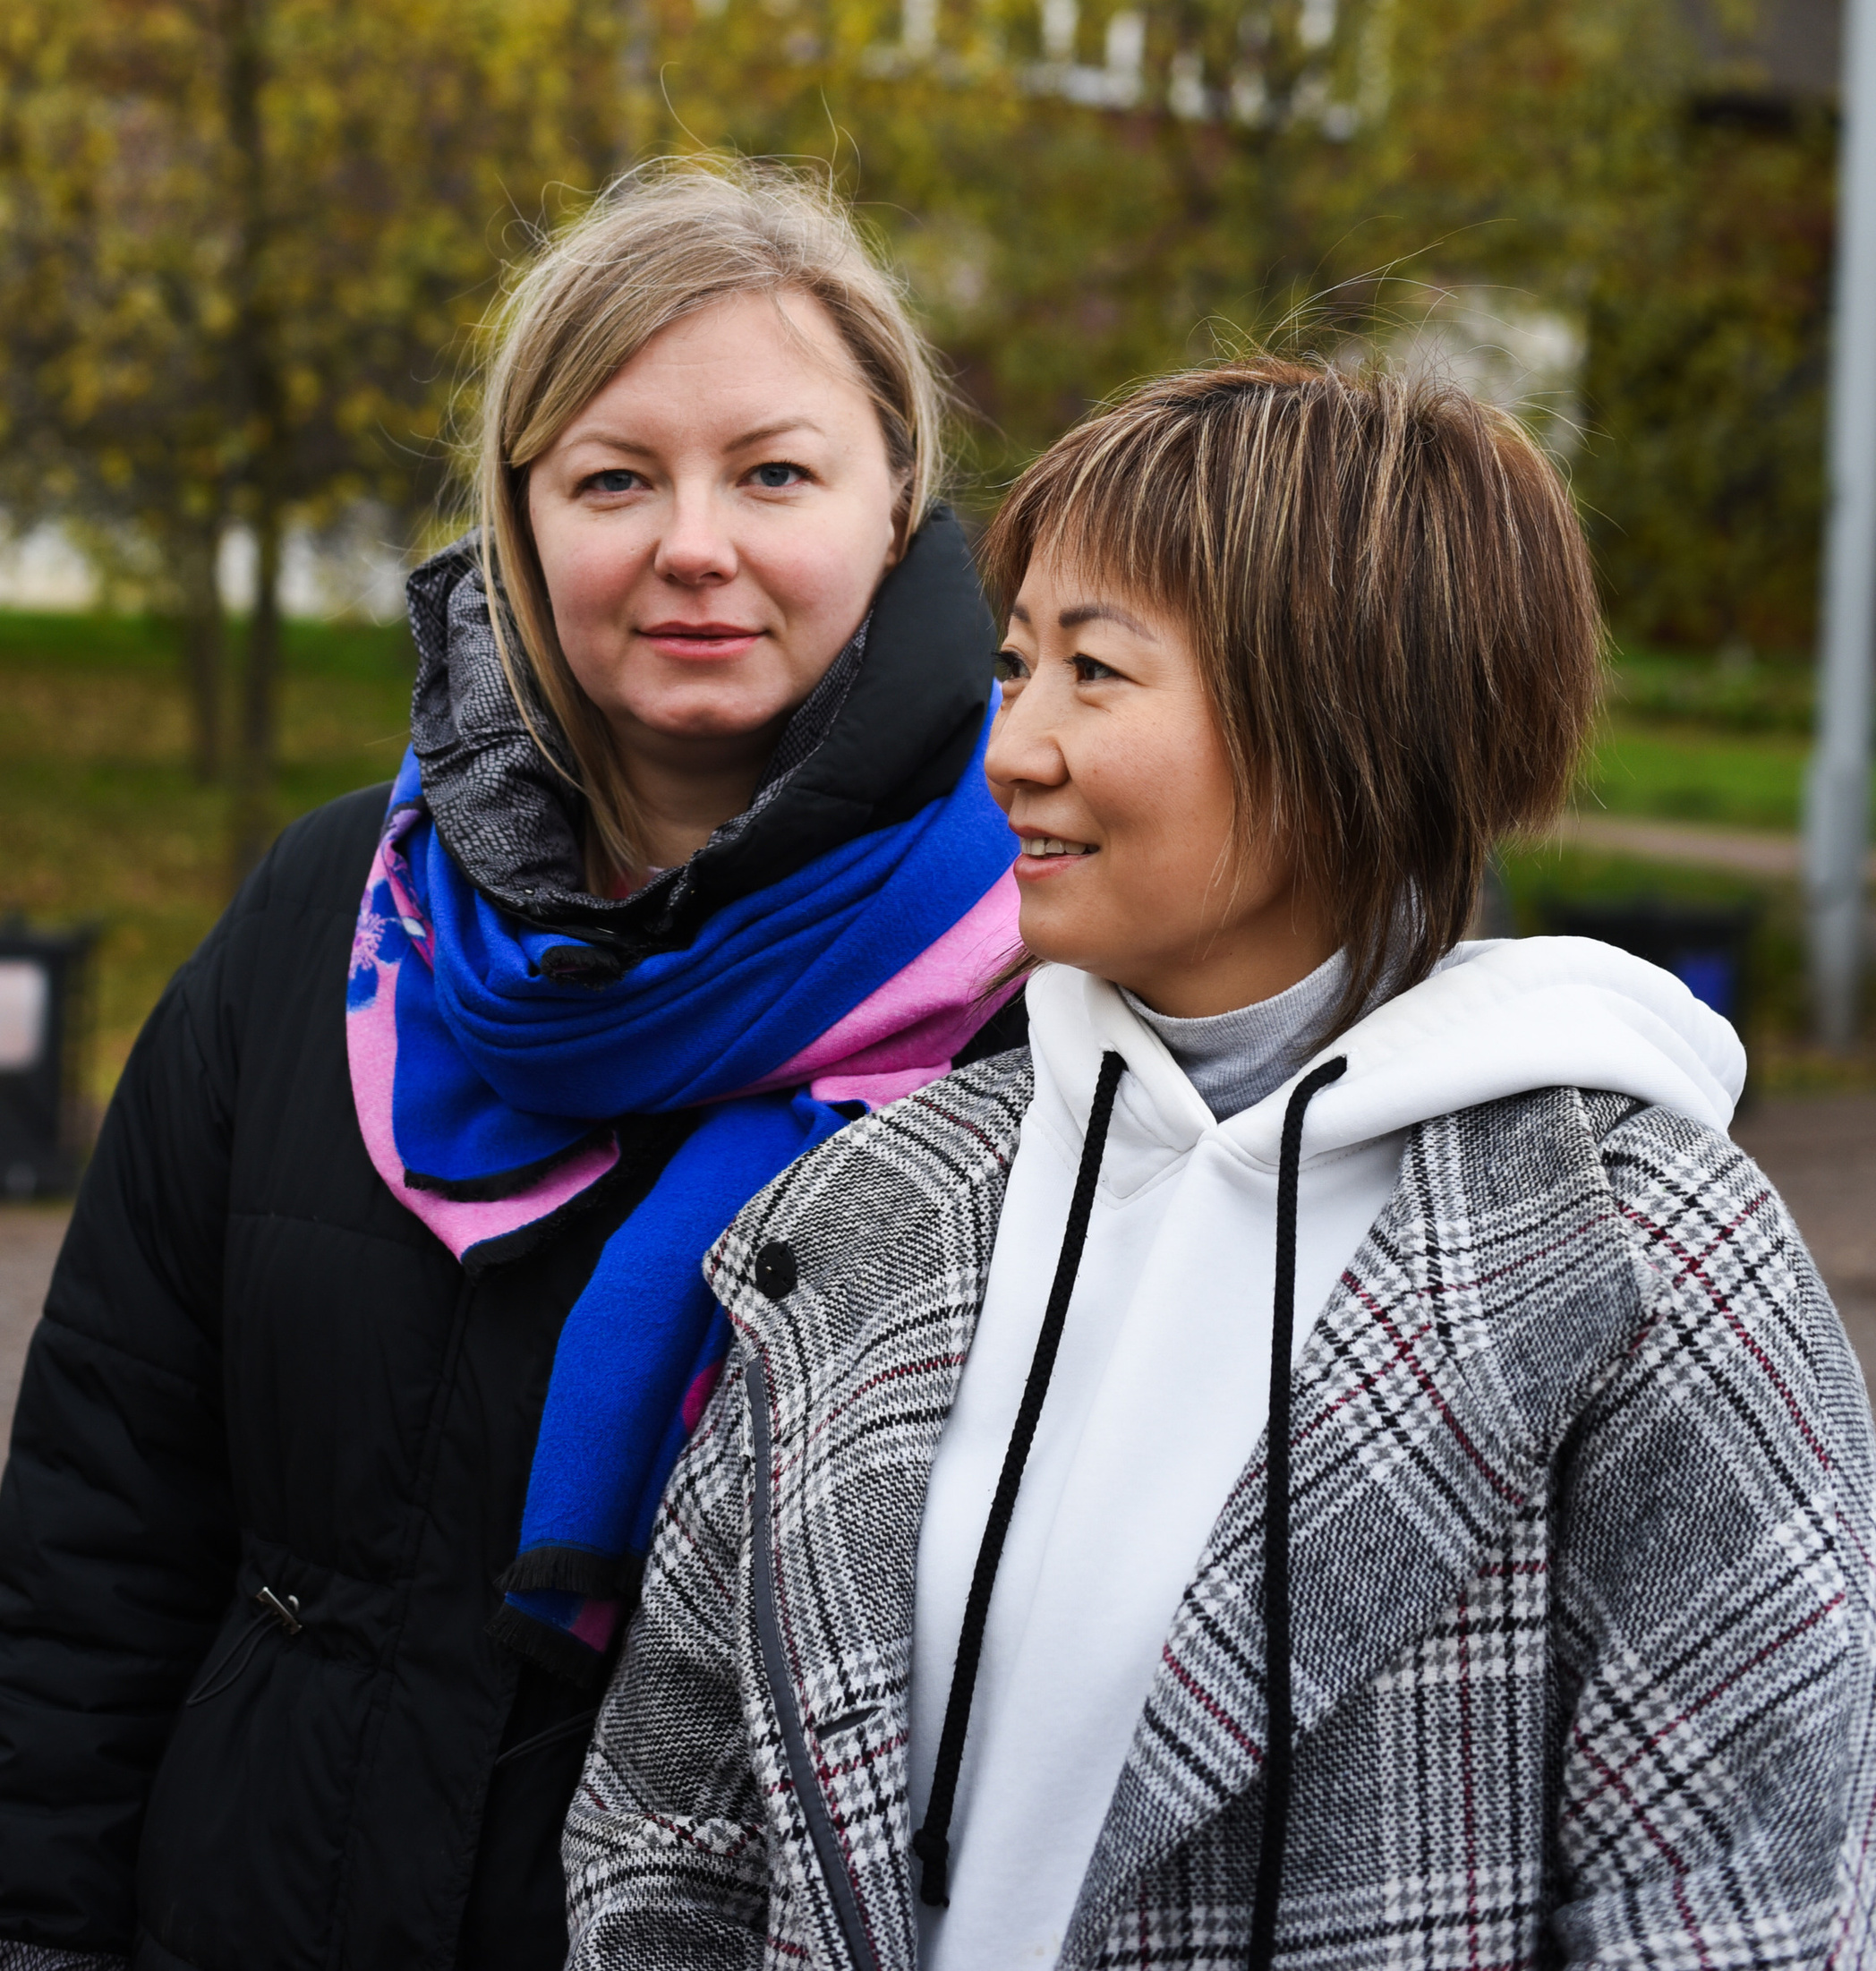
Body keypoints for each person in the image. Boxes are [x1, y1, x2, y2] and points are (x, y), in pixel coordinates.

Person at [565, 358, 1876, 1971]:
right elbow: (668, 1825)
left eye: (1095, 673)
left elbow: (1738, 1914)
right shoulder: (877, 1203)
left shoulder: (1639, 1252)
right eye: (1013, 662)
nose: (1012, 748)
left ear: (1342, 715)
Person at [0, 161, 1023, 1971]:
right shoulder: (324, 922)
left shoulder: (1035, 986)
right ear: (519, 522)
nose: (690, 543)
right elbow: (99, 1516)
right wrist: (21, 1936)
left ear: (894, 501)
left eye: (771, 471)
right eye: (611, 477)